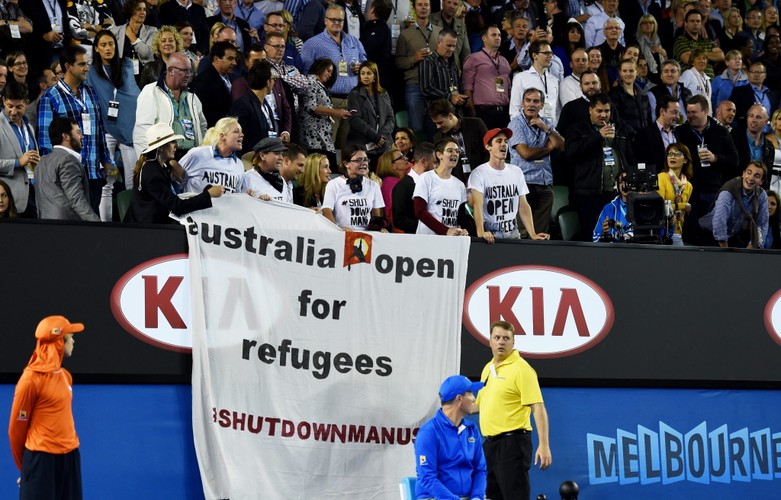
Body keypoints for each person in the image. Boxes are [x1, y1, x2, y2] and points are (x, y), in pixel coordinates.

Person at [9, 315, 87, 500]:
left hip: (70, 458)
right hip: (41, 461)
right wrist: (26, 469)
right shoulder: (30, 380)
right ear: (59, 343)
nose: (73, 341)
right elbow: (16, 429)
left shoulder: (65, 376)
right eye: (70, 337)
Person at [477, 320, 551, 500]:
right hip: (490, 445)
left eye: (506, 338)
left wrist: (544, 445)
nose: (501, 342)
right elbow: (478, 405)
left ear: (513, 342)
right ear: (490, 341)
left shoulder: (522, 369)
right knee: (492, 496)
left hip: (512, 444)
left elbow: (538, 407)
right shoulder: (487, 368)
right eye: (497, 337)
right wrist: (451, 406)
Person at [37, 45, 114, 216]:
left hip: (93, 173)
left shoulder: (91, 92)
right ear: (68, 66)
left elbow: (99, 129)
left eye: (87, 64)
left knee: (91, 222)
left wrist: (106, 160)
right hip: (67, 176)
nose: (87, 68)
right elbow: (45, 142)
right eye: (81, 64)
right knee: (71, 224)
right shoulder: (51, 97)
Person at [565, 93, 635, 241]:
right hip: (590, 194)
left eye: (607, 111)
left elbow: (629, 158)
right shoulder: (578, 129)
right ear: (590, 110)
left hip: (615, 194)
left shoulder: (620, 129)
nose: (603, 115)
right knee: (593, 234)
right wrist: (598, 136)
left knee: (618, 233)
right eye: (599, 111)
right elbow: (571, 152)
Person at [88, 29, 141, 214]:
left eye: (111, 44)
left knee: (133, 181)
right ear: (96, 48)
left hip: (129, 129)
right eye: (103, 45)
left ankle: (134, 221)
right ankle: (106, 225)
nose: (108, 48)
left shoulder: (126, 64)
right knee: (107, 182)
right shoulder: (92, 72)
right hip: (107, 131)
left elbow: (133, 94)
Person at [126, 122, 222, 223]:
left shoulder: (157, 166)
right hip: (146, 229)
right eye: (172, 142)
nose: (177, 145)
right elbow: (177, 207)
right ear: (161, 147)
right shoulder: (153, 173)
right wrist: (208, 195)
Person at [300, 4, 367, 149]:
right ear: (325, 20)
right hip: (327, 101)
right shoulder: (312, 44)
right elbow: (305, 74)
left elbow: (366, 64)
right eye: (333, 19)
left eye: (340, 20)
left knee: (344, 147)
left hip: (351, 101)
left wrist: (361, 67)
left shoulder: (354, 42)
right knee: (328, 146)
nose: (337, 23)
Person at [468, 128, 550, 243]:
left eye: (506, 141)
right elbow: (478, 205)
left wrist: (532, 234)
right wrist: (481, 232)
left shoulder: (516, 171)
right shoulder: (479, 173)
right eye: (499, 141)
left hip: (513, 234)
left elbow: (523, 205)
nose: (504, 144)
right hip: (491, 236)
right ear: (488, 147)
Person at [414, 374, 486, 500]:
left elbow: (480, 470)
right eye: (470, 393)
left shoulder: (472, 429)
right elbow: (428, 478)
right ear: (459, 399)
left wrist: (477, 497)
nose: (474, 399)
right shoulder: (429, 432)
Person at [508, 88, 565, 235]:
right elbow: (526, 153)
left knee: (541, 234)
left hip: (545, 183)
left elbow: (561, 145)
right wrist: (548, 148)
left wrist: (546, 129)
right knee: (523, 233)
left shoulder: (546, 123)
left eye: (536, 101)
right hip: (523, 184)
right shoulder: (515, 124)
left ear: (541, 105)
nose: (531, 104)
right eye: (528, 100)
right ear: (522, 103)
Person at [134, 52, 207, 159]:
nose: (188, 74)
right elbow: (142, 132)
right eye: (184, 70)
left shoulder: (192, 97)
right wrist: (148, 161)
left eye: (190, 70)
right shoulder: (150, 92)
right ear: (171, 70)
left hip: (192, 158)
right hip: (164, 158)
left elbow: (202, 127)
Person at [34, 117, 99, 221]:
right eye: (78, 132)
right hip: (67, 226)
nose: (82, 136)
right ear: (66, 136)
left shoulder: (42, 162)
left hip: (44, 224)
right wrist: (96, 223)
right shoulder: (68, 160)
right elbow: (76, 198)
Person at [394, 0, 441, 133]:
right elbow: (398, 62)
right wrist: (414, 59)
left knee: (437, 127)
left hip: (436, 85)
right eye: (420, 5)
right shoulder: (405, 34)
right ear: (414, 8)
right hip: (414, 85)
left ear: (430, 8)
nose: (423, 8)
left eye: (426, 5)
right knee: (416, 128)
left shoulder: (439, 32)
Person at [700, 160, 768, 248]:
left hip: (732, 235)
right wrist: (726, 253)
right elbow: (719, 222)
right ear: (743, 174)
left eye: (757, 176)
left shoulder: (762, 195)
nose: (751, 178)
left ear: (761, 181)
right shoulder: (729, 190)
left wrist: (752, 246)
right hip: (710, 234)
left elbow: (762, 225)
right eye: (749, 172)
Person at [300, 58, 350, 169]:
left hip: (322, 135)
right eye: (328, 71)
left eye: (331, 73)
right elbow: (311, 106)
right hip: (313, 136)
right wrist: (335, 112)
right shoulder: (311, 82)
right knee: (318, 169)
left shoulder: (319, 85)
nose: (330, 75)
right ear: (320, 67)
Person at [321, 144, 386, 231]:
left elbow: (376, 217)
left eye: (365, 160)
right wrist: (338, 230)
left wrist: (379, 229)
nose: (364, 163)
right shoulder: (334, 184)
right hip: (343, 234)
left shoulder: (373, 185)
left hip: (367, 236)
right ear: (346, 164)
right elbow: (326, 211)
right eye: (358, 160)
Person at [412, 137, 469, 236]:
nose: (455, 154)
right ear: (439, 155)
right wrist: (445, 230)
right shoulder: (426, 178)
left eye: (457, 151)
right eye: (450, 150)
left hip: (451, 240)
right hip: (428, 239)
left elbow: (461, 216)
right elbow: (419, 211)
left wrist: (464, 230)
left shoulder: (460, 185)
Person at [0, 80, 38, 218]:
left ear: (26, 103)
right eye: (10, 106)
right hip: (8, 202)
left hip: (32, 195)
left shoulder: (29, 127)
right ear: (3, 101)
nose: (13, 111)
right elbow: (21, 161)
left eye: (19, 107)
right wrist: (18, 162)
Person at [462, 26, 511, 131]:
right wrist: (471, 111)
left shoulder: (504, 61)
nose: (497, 37)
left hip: (504, 112)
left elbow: (509, 88)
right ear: (484, 38)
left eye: (499, 35)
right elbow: (467, 87)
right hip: (483, 112)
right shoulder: (474, 58)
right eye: (494, 35)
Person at [180, 116, 244, 193]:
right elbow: (175, 178)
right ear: (223, 136)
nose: (242, 135)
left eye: (241, 132)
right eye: (236, 131)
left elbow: (237, 195)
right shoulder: (197, 154)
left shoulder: (239, 165)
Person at [346, 61, 394, 162]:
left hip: (383, 145)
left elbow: (390, 118)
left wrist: (381, 137)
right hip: (363, 144)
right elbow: (355, 120)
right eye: (362, 73)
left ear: (375, 76)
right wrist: (375, 136)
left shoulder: (384, 93)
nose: (365, 76)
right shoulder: (354, 94)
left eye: (369, 73)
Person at [429, 99, 488, 182]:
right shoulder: (438, 137)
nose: (437, 127)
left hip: (482, 177)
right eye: (435, 123)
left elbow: (489, 150)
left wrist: (484, 174)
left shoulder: (476, 124)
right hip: (456, 182)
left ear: (450, 116)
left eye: (440, 122)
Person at [229, 59, 277, 155]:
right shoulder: (242, 105)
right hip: (248, 159)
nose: (274, 83)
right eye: (273, 79)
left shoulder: (265, 104)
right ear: (267, 82)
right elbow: (234, 137)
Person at [420, 29, 468, 119]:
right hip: (437, 113)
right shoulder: (429, 61)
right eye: (448, 45)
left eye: (453, 46)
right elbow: (426, 89)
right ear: (439, 43)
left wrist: (460, 98)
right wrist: (450, 97)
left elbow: (457, 86)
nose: (451, 49)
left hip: (455, 113)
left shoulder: (453, 64)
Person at [510, 40, 560, 124]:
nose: (550, 56)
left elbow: (557, 109)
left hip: (550, 128)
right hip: (528, 127)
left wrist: (554, 128)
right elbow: (514, 109)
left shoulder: (554, 80)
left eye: (551, 53)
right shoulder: (520, 78)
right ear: (534, 55)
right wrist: (520, 128)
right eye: (546, 53)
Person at [190, 40, 237, 127]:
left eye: (234, 59)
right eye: (230, 59)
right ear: (216, 59)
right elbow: (203, 112)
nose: (235, 63)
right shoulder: (204, 81)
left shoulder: (232, 77)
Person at [392, 142, 435, 233]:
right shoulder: (403, 187)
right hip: (415, 239)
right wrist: (429, 227)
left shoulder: (435, 183)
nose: (438, 167)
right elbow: (399, 220)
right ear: (424, 162)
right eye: (435, 163)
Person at [657, 142, 694, 245]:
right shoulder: (661, 178)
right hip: (661, 231)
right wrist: (682, 205)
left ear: (685, 160)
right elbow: (659, 206)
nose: (672, 156)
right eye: (670, 154)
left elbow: (683, 214)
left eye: (677, 154)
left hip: (678, 232)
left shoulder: (688, 186)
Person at [109, 0, 158, 76]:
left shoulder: (152, 31)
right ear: (130, 11)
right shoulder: (115, 31)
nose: (143, 12)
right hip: (121, 73)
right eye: (139, 9)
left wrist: (131, 36)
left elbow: (147, 54)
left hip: (145, 74)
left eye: (144, 10)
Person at [730, 104, 775, 185]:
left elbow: (767, 176)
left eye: (758, 117)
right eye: (751, 116)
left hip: (758, 190)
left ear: (766, 122)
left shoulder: (769, 146)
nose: (754, 120)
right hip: (735, 187)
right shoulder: (734, 138)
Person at [673, 8, 724, 78]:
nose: (695, 23)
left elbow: (721, 56)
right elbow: (687, 58)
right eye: (692, 21)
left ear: (701, 24)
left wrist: (700, 54)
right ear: (686, 23)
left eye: (698, 21)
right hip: (691, 80)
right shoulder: (681, 40)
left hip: (709, 80)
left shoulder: (708, 41)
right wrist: (709, 55)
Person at [729, 61, 779, 130]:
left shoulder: (772, 94)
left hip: (769, 133)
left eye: (760, 72)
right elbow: (732, 112)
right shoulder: (739, 91)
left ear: (765, 75)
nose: (756, 75)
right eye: (753, 72)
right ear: (748, 74)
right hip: (747, 132)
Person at [608, 58, 650, 136]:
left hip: (644, 137)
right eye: (624, 71)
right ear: (620, 73)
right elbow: (616, 118)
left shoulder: (643, 95)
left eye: (631, 71)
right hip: (625, 138)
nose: (628, 74)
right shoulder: (614, 94)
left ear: (637, 72)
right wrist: (632, 133)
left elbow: (648, 118)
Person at [710, 50, 747, 114]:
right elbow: (712, 100)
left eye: (740, 59)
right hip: (721, 116)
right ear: (727, 62)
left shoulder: (747, 81)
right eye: (735, 59)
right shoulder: (718, 80)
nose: (738, 61)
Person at [375, 148, 406, 218]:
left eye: (404, 156)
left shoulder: (399, 181)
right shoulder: (389, 183)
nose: (406, 158)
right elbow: (390, 210)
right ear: (392, 165)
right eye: (401, 157)